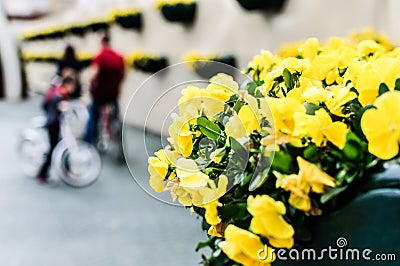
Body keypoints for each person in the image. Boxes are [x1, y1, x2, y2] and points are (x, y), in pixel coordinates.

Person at [84, 34, 125, 145]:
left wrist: (90, 86)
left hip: (100, 94)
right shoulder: (119, 56)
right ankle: (119, 142)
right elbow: (123, 74)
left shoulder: (100, 56)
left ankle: (89, 142)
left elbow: (93, 74)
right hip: (113, 94)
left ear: (102, 42)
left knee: (93, 116)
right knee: (116, 117)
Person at [36, 76, 75, 184]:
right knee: (53, 148)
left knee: (58, 147)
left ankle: (66, 170)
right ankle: (42, 174)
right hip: (54, 124)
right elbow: (58, 104)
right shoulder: (61, 92)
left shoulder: (58, 91)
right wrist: (62, 106)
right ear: (69, 84)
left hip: (53, 123)